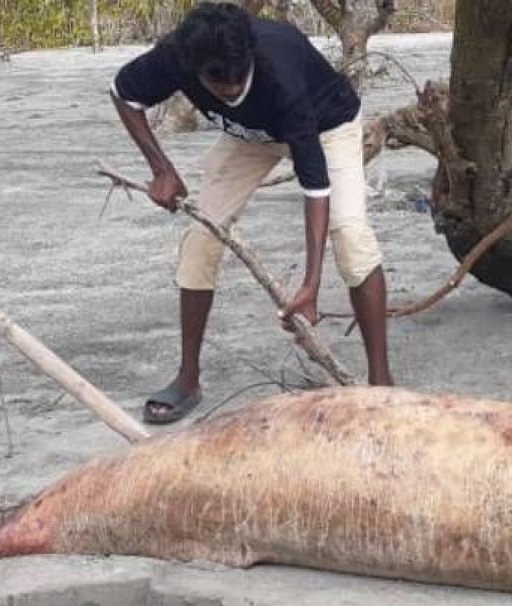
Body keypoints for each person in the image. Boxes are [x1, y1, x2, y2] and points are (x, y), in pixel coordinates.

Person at [111, 1, 394, 425]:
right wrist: (162, 169)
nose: (229, 88)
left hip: (325, 126)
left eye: (239, 77)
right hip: (248, 137)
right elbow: (124, 93)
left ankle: (382, 384)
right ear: (193, 68)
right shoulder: (177, 54)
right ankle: (188, 378)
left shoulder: (279, 69)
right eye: (216, 81)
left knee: (350, 236)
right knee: (199, 243)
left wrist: (311, 284)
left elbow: (315, 185)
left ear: (249, 58)